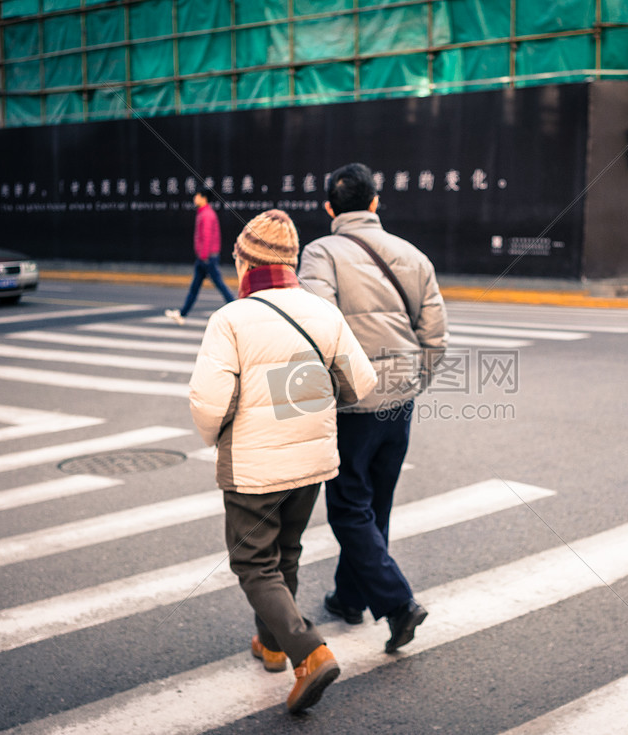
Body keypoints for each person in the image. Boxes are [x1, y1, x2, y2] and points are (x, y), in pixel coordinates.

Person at [188, 209, 378, 714]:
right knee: (284, 553)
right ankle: (273, 646)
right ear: (292, 261)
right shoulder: (323, 312)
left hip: (254, 464)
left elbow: (209, 404)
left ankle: (309, 651)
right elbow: (362, 384)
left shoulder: (230, 318)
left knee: (252, 561)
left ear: (245, 261)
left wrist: (216, 435)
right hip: (311, 459)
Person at [297, 162, 448, 654]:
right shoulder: (412, 254)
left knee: (346, 507)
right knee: (374, 503)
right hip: (399, 403)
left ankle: (398, 603)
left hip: (353, 404)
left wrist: (336, 390)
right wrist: (410, 384)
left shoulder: (321, 252)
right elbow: (435, 337)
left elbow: (316, 327)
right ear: (376, 203)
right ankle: (349, 597)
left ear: (329, 208)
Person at [166, 187, 235, 325]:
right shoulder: (204, 213)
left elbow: (207, 237)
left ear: (203, 198)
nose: (194, 198)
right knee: (195, 287)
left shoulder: (207, 215)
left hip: (207, 258)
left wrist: (203, 257)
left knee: (219, 285)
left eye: (196, 196)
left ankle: (237, 308)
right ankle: (182, 314)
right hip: (205, 257)